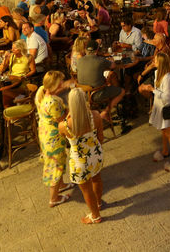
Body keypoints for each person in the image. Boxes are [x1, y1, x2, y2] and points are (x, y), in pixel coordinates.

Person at [59, 88, 104, 224]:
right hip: (95, 154)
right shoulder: (95, 115)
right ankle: (99, 203)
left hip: (79, 161)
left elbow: (63, 139)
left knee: (86, 190)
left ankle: (95, 216)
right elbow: (101, 137)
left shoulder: (64, 125)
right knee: (96, 179)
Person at [35, 71, 74, 207]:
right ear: (55, 86)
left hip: (45, 134)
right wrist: (70, 109)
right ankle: (54, 198)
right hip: (53, 139)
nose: (63, 84)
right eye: (61, 83)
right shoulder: (52, 103)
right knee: (55, 167)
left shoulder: (42, 94)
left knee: (59, 161)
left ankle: (61, 184)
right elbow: (61, 119)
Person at [139, 53, 170, 172]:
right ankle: (165, 151)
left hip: (165, 108)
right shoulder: (158, 73)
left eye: (155, 60)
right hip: (159, 107)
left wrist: (152, 90)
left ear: (161, 63)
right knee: (163, 131)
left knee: (168, 133)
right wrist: (151, 88)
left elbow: (167, 96)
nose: (153, 61)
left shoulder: (167, 77)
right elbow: (159, 91)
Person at [76, 40, 125, 124]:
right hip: (96, 94)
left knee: (106, 81)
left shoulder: (79, 60)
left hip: (82, 94)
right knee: (122, 91)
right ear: (97, 50)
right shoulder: (100, 60)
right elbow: (113, 65)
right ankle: (105, 112)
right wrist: (112, 60)